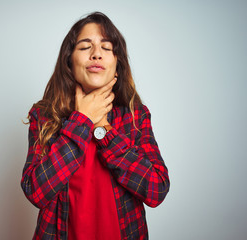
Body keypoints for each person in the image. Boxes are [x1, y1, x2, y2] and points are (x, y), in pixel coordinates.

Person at [21, 12, 170, 240]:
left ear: (117, 65)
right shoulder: (44, 116)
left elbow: (156, 190)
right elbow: (36, 191)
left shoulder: (135, 117)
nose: (96, 54)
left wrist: (103, 129)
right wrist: (82, 120)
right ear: (69, 62)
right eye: (84, 47)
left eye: (107, 47)